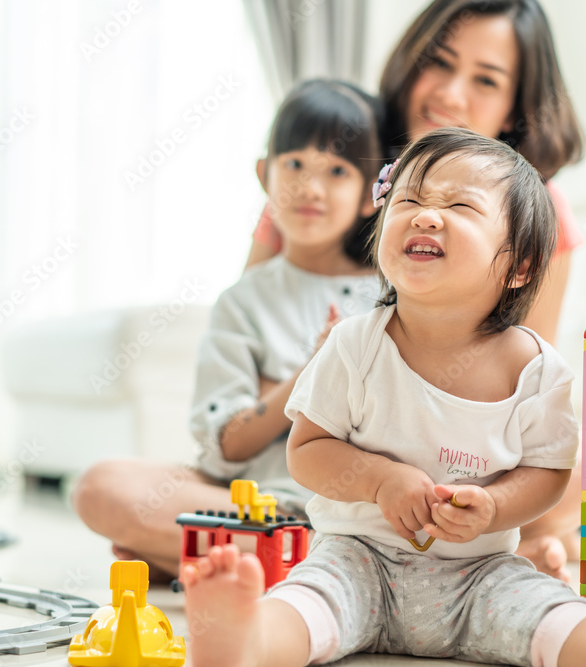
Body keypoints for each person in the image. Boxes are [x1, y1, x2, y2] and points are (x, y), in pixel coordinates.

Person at [181, 127, 586, 667]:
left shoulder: (537, 370)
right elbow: (306, 449)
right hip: (359, 559)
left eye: (461, 208)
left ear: (519, 266)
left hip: (482, 574)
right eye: (409, 199)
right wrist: (378, 479)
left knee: (554, 615)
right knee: (308, 603)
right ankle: (245, 645)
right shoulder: (354, 343)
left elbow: (548, 473)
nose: (426, 214)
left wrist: (496, 505)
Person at [246, 0, 583, 580]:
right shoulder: (326, 171)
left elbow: (519, 403)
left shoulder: (535, 218)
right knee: (107, 489)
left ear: (514, 107)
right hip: (307, 453)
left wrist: (488, 503)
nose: (451, 93)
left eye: (485, 79)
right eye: (439, 62)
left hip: (462, 476)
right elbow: (246, 342)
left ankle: (254, 548)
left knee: (578, 468)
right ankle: (279, 541)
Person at [72, 79, 385, 579]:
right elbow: (227, 445)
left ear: (371, 196)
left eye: (338, 170)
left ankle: (205, 554)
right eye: (295, 164)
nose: (311, 187)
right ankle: (286, 558)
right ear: (265, 175)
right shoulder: (245, 300)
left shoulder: (394, 295)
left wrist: (269, 401)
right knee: (100, 487)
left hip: (365, 510)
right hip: (263, 508)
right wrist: (310, 375)